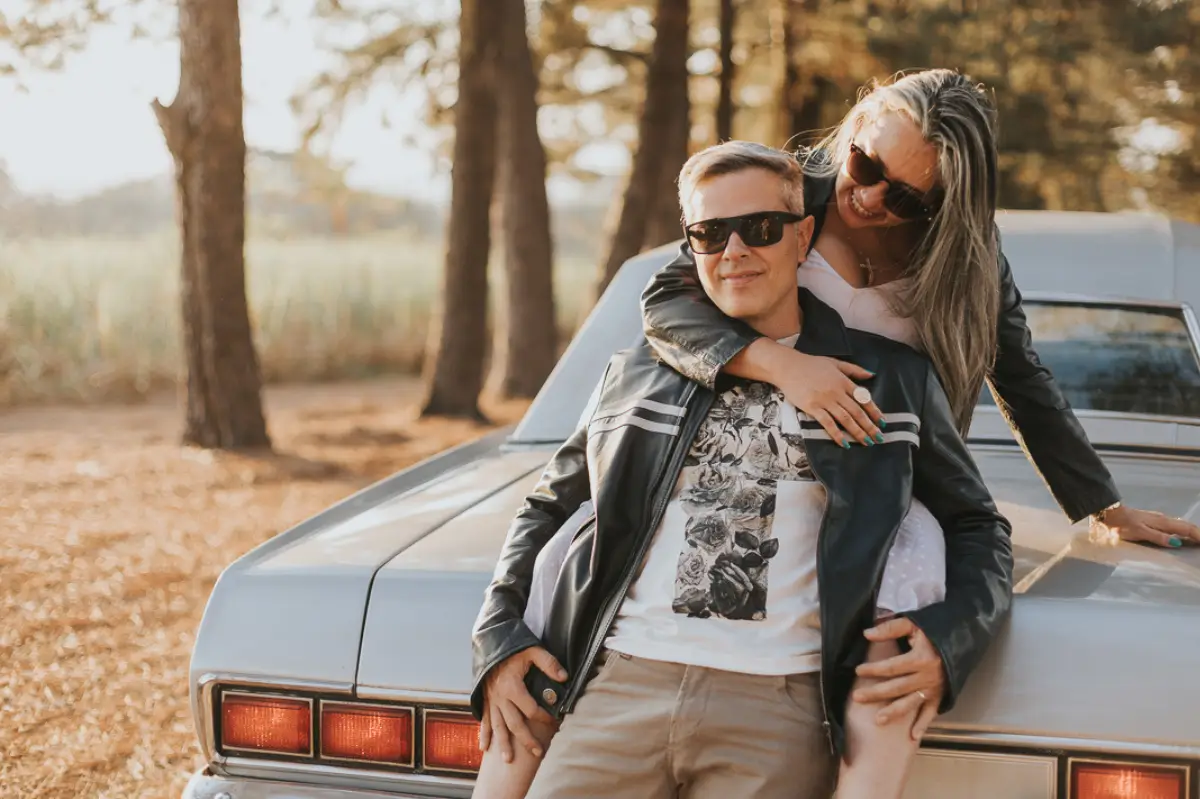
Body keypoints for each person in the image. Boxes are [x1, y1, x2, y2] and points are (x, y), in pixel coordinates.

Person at [470, 140, 1013, 799]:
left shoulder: (891, 381)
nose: (734, 253)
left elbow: (975, 522)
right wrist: (497, 635)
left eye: (760, 229)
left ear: (803, 235)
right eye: (709, 233)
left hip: (776, 702)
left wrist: (952, 637)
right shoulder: (637, 373)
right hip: (617, 685)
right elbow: (549, 506)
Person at [641, 68, 1200, 553]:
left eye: (907, 198)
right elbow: (667, 301)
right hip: (748, 478)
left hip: (885, 495)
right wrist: (783, 366)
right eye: (865, 165)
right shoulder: (781, 194)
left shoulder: (969, 260)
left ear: (946, 201)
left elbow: (1021, 379)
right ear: (858, 124)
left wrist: (1104, 508)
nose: (869, 198)